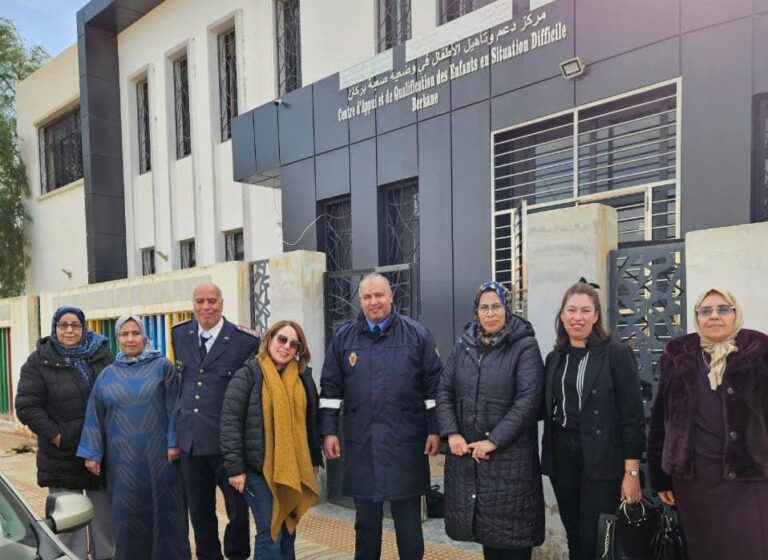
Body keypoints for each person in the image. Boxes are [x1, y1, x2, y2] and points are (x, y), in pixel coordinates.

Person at [319, 272, 443, 560]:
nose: (373, 302)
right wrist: (329, 431)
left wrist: (435, 430)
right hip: (362, 443)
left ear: (391, 297)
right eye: (367, 297)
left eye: (379, 295)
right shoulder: (343, 338)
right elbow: (330, 389)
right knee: (366, 524)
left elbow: (435, 388)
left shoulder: (417, 335)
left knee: (408, 523)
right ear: (360, 301)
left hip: (406, 444)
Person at [647, 287, 768, 559]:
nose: (714, 316)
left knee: (752, 548)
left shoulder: (759, 350)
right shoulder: (678, 355)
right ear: (697, 317)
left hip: (749, 479)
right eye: (706, 310)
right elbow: (661, 419)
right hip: (696, 481)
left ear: (735, 314)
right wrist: (661, 477)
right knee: (705, 550)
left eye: (723, 309)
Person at [436, 281, 545, 560]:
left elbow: (528, 400)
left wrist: (494, 441)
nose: (490, 313)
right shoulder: (464, 346)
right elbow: (444, 390)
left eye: (496, 306)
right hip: (472, 461)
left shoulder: (524, 346)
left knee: (513, 542)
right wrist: (452, 433)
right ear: (476, 312)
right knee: (488, 538)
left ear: (507, 309)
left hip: (511, 464)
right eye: (484, 307)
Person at [540, 281, 645, 560]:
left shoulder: (616, 354)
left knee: (597, 538)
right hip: (562, 457)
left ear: (596, 316)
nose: (578, 317)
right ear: (562, 315)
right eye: (571, 310)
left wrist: (632, 473)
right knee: (573, 535)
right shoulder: (555, 358)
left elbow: (633, 416)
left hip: (601, 458)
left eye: (586, 311)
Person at [76, 315, 190, 560]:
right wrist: (92, 453)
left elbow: (176, 407)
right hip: (122, 463)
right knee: (126, 516)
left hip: (161, 460)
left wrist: (174, 442)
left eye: (135, 333)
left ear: (144, 336)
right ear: (117, 338)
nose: (130, 339)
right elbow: (95, 413)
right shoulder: (107, 375)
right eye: (124, 334)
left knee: (165, 513)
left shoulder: (164, 367)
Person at [15, 306, 115, 560]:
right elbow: (26, 406)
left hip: (100, 454)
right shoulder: (39, 361)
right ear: (54, 328)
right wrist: (59, 436)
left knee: (105, 523)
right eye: (63, 325)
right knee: (70, 523)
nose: (69, 330)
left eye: (75, 325)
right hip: (61, 456)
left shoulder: (101, 356)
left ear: (84, 327)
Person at [172, 282, 261, 560]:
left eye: (212, 301)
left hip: (228, 446)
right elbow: (182, 386)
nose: (206, 307)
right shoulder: (180, 334)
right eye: (200, 301)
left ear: (222, 303)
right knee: (200, 512)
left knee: (238, 512)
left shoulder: (245, 341)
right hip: (192, 443)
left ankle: (237, 554)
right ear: (193, 304)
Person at [221, 320, 322, 559]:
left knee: (288, 528)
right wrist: (235, 469)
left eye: (294, 344)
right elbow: (230, 422)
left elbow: (311, 422)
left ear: (299, 350)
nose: (286, 347)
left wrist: (313, 459)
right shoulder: (248, 375)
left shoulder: (303, 378)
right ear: (269, 340)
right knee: (270, 531)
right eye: (282, 339)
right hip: (257, 469)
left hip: (293, 467)